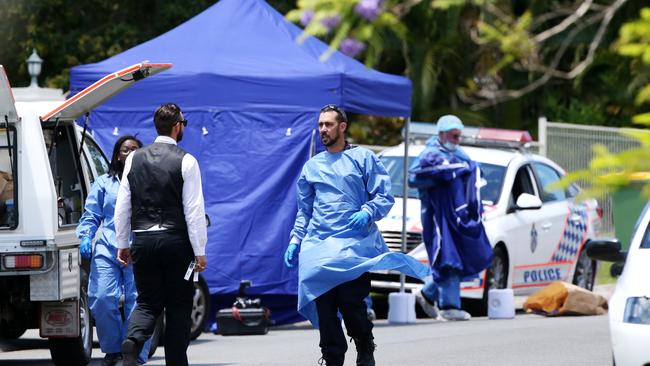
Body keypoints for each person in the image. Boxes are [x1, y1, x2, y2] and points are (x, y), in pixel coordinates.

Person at [284, 104, 429, 366]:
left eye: (328, 124)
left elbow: (384, 196)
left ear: (342, 127)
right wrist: (295, 240)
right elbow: (304, 210)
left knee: (352, 306)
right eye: (320, 125)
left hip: (353, 247)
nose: (323, 130)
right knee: (325, 312)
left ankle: (364, 344)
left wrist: (368, 211)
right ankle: (332, 357)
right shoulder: (312, 167)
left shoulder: (364, 158)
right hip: (318, 247)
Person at [115, 103, 207, 366]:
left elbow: (123, 205)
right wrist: (199, 251)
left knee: (146, 302)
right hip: (175, 240)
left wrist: (123, 243)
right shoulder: (187, 160)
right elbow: (194, 211)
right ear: (178, 126)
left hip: (142, 239)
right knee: (179, 306)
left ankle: (132, 341)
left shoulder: (134, 158)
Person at [76, 135, 151, 366]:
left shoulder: (149, 181)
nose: (129, 153)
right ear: (117, 155)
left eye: (135, 150)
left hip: (139, 247)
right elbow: (91, 214)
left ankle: (134, 351)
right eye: (125, 149)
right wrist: (86, 235)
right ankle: (112, 350)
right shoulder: (103, 183)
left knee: (137, 301)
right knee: (101, 298)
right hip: (108, 247)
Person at [409, 115, 492, 321]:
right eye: (454, 136)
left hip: (459, 217)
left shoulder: (460, 154)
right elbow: (413, 178)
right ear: (442, 134)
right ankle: (449, 306)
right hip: (438, 218)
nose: (457, 140)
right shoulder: (429, 155)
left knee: (462, 256)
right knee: (448, 258)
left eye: (459, 136)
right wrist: (442, 176)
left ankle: (429, 292)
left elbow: (473, 175)